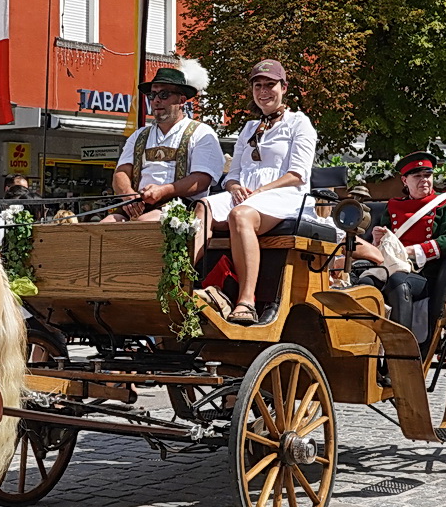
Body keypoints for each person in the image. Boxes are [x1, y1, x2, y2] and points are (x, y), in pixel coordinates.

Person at [198, 61, 319, 324]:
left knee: (240, 216)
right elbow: (233, 174)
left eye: (270, 85)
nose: (263, 91)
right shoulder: (249, 127)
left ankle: (246, 300)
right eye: (258, 85)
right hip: (248, 195)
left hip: (286, 195)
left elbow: (298, 174)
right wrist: (234, 187)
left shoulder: (299, 123)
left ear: (284, 87)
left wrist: (260, 191)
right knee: (203, 207)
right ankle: (185, 286)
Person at [350, 151, 446, 337]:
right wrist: (379, 240)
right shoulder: (394, 205)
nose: (424, 180)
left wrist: (413, 251)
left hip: (426, 272)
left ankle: (402, 347)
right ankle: (365, 343)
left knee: (398, 282)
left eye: (428, 175)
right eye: (417, 176)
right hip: (391, 266)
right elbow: (384, 245)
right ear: (405, 181)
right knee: (365, 282)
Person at [106, 59, 224, 223]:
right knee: (104, 227)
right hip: (139, 204)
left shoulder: (201, 133)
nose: (156, 100)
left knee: (142, 224)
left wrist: (164, 191)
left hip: (183, 207)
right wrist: (128, 194)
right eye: (152, 95)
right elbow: (121, 172)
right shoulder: (139, 135)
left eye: (164, 95)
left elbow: (202, 180)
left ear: (182, 100)